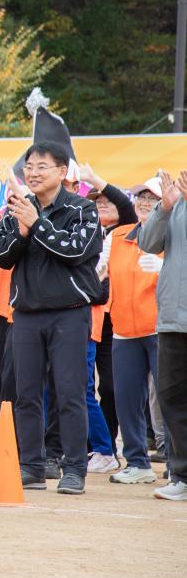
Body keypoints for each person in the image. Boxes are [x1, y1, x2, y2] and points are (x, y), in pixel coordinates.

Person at [0, 141, 102, 496]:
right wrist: (21, 232)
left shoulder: (82, 210)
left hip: (70, 315)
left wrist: (36, 225)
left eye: (42, 167)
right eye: (29, 167)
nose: (32, 173)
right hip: (28, 315)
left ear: (62, 172)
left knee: (70, 393)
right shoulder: (19, 210)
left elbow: (76, 250)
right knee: (26, 394)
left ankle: (74, 470)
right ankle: (31, 467)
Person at [82, 162, 139, 465]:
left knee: (113, 386)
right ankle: (100, 448)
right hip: (92, 317)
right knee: (86, 386)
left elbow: (126, 205)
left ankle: (115, 447)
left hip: (117, 316)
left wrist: (96, 181)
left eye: (106, 201)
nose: (101, 205)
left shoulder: (129, 229)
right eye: (97, 202)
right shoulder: (90, 233)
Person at [105, 180, 162, 485]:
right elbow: (97, 270)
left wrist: (163, 267)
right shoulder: (116, 236)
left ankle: (179, 467)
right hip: (124, 330)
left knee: (170, 399)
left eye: (152, 198)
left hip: (161, 329)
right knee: (126, 398)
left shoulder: (174, 233)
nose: (144, 202)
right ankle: (138, 462)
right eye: (141, 196)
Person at [138, 169, 187, 500]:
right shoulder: (177, 202)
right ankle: (181, 475)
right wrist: (164, 208)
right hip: (172, 316)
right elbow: (147, 242)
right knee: (171, 396)